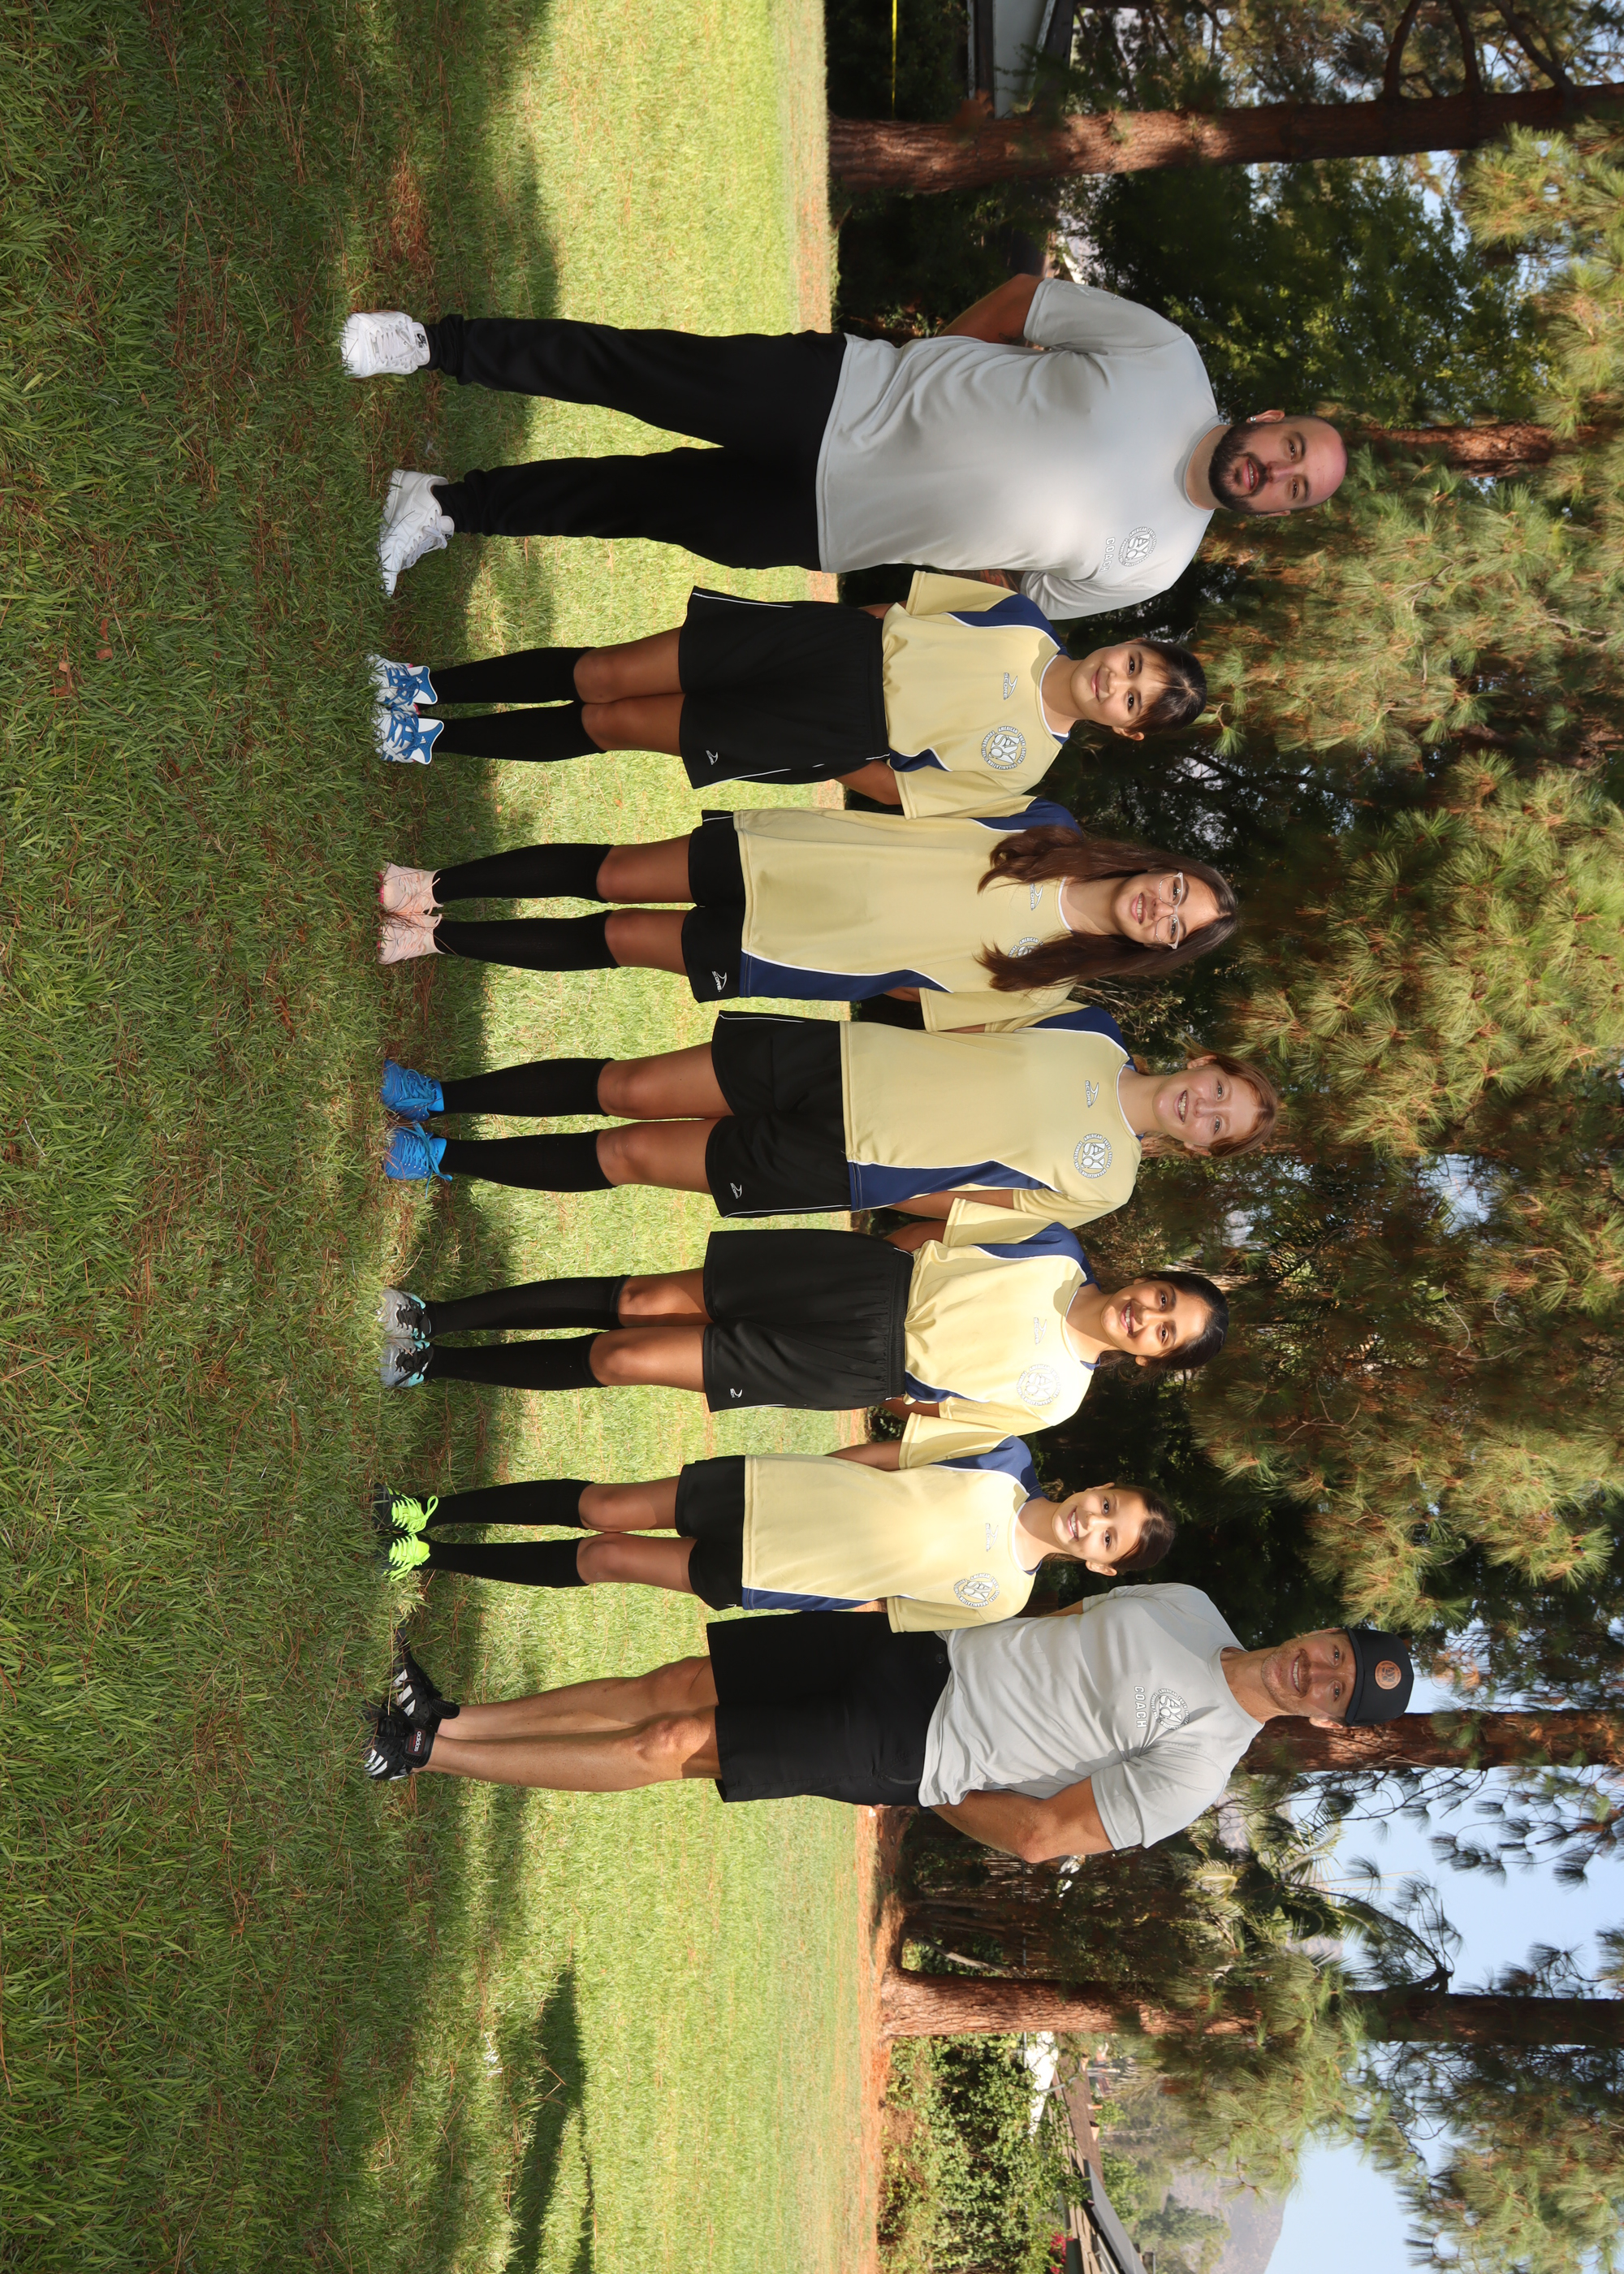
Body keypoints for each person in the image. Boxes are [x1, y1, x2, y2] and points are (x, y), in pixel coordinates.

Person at [339, 279, 1348, 615]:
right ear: (1271, 417)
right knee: (632, 372)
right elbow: (1021, 305)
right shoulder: (1167, 358)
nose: (1276, 471)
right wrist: (928, 371)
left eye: (1293, 489)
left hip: (831, 527)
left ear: (1277, 511)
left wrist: (944, 523)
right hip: (835, 395)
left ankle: (442, 505)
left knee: (631, 505)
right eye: (1291, 445)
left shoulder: (1156, 566)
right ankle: (428, 344)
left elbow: (1015, 591)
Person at [360, 1602, 1416, 1865]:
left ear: (1326, 1718)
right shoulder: (1192, 1606)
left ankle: (422, 1754)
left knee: (674, 1741)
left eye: (1336, 1689)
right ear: (1322, 1630)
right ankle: (454, 1715)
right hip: (915, 1655)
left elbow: (1043, 1835)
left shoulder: (1198, 1765)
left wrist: (930, 1784)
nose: (1319, 1669)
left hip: (920, 1748)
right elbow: (1061, 1626)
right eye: (1335, 1650)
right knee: (676, 1681)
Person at [370, 1221, 1228, 1463]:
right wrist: (873, 1267)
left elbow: (939, 1419)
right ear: (1150, 1278)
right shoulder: (1056, 1247)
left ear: (1151, 1359)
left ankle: (431, 1365)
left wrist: (883, 1383)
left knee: (623, 1357)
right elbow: (942, 1224)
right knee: (641, 1298)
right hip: (858, 1280)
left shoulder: (1059, 1401)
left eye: (1165, 1334)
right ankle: (434, 1316)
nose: (1147, 1317)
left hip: (853, 1366)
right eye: (1163, 1300)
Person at [374, 1007, 1279, 1233]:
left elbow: (974, 1208)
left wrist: (879, 1189)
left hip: (845, 1159)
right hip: (841, 1060)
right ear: (1205, 1062)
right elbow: (965, 1025)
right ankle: (444, 1095)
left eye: (1217, 1124)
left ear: (1202, 1148)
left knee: (632, 1153)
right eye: (1218, 1089)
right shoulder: (1092, 1030)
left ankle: (442, 1159)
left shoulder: (1108, 1183)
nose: (1202, 1106)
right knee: (630, 1087)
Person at [371, 805, 1238, 1028]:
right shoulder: (1048, 828)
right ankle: (433, 881)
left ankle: (436, 936)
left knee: (619, 938)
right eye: (1176, 892)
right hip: (790, 856)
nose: (1159, 910)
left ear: (1158, 950)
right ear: (1161, 867)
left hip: (792, 948)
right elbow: (922, 800)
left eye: (1175, 927)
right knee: (617, 873)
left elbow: (916, 1002)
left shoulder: (1048, 985)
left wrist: (857, 953)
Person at [366, 572, 1205, 796]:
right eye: (1134, 664)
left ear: (1125, 728)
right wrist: (822, 633)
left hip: (828, 732)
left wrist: (826, 755)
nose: (1116, 681)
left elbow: (902, 791)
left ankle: (432, 737)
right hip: (822, 647)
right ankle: (424, 680)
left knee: (612, 723)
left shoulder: (1025, 767)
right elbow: (901, 608)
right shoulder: (1017, 615)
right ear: (1129, 640)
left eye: (1132, 699)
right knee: (606, 671)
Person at [369, 1436, 1176, 1622]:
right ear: (1101, 1487)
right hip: (772, 1492)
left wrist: (814, 1593)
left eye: (1110, 1539)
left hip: (779, 1574)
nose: (1094, 1523)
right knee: (604, 1508)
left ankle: (428, 1555)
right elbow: (889, 1453)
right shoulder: (1006, 1456)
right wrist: (814, 1472)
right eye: (1110, 1506)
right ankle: (431, 1509)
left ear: (1100, 1568)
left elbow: (886, 1609)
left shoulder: (1004, 1600)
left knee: (606, 1556)